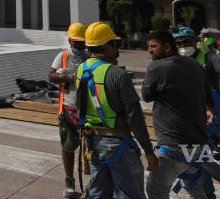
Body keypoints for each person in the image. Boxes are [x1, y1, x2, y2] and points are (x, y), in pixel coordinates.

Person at [76, 22, 157, 198]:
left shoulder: (81, 70)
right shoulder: (117, 74)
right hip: (118, 144)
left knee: (98, 194)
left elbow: (80, 107)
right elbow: (135, 117)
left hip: (93, 144)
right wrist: (149, 151)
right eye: (114, 43)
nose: (117, 48)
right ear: (107, 46)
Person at [172, 26, 220, 199]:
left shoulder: (208, 58)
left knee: (216, 155)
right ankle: (211, 193)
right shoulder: (174, 61)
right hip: (189, 118)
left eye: (186, 42)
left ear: (196, 42)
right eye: (179, 43)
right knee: (199, 157)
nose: (183, 46)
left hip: (213, 117)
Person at [143, 31, 210, 199]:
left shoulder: (156, 67)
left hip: (173, 145)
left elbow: (146, 95)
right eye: (148, 47)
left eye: (153, 46)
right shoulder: (195, 65)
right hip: (198, 145)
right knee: (193, 185)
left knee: (156, 191)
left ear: (167, 47)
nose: (150, 50)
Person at [49, 22, 89, 199]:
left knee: (91, 148)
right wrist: (67, 76)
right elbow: (50, 76)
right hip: (68, 109)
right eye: (77, 42)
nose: (80, 46)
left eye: (82, 42)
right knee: (68, 147)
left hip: (89, 111)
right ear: (70, 40)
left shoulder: (89, 57)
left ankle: (95, 180)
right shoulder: (63, 56)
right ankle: (69, 181)